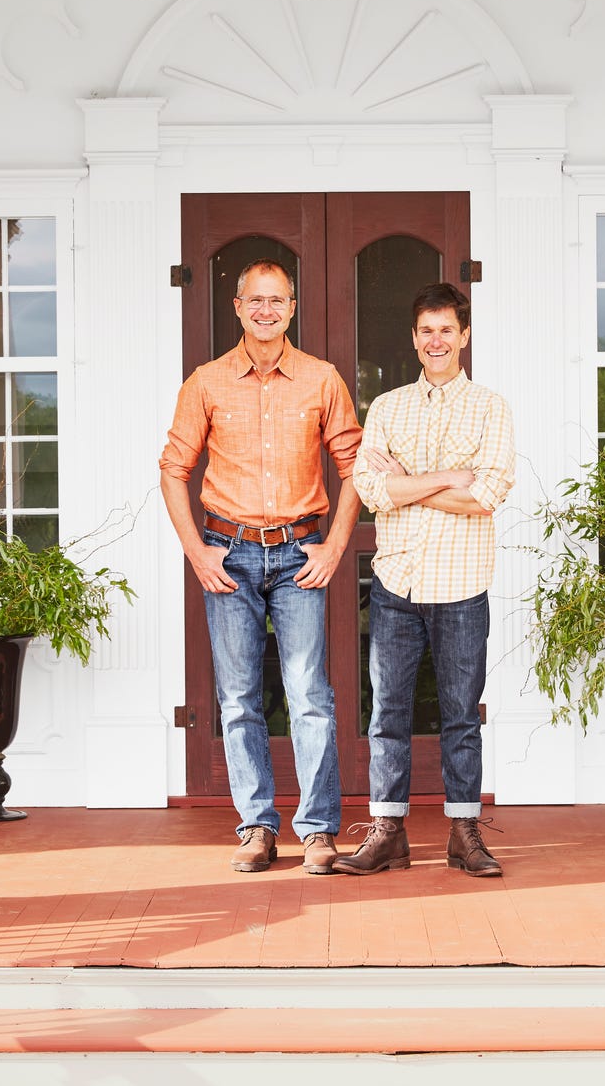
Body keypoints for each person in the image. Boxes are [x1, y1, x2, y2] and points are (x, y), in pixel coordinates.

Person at [159, 259, 362, 875]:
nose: (266, 310)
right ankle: (256, 828)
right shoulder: (206, 382)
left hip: (301, 553)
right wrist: (198, 551)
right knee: (240, 697)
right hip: (231, 552)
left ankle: (320, 830)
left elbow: (356, 469)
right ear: (238, 307)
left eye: (278, 300)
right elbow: (173, 469)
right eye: (256, 300)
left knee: (309, 696)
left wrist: (334, 547)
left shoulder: (322, 380)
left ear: (292, 308)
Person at [333, 282, 515, 878]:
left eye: (447, 330)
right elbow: (370, 490)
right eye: (426, 331)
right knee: (387, 713)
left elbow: (487, 495)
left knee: (461, 715)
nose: (436, 341)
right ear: (414, 339)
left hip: (461, 587)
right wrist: (449, 478)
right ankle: (388, 834)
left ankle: (464, 833)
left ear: (464, 336)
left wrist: (412, 482)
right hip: (396, 586)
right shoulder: (385, 408)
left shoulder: (491, 407)